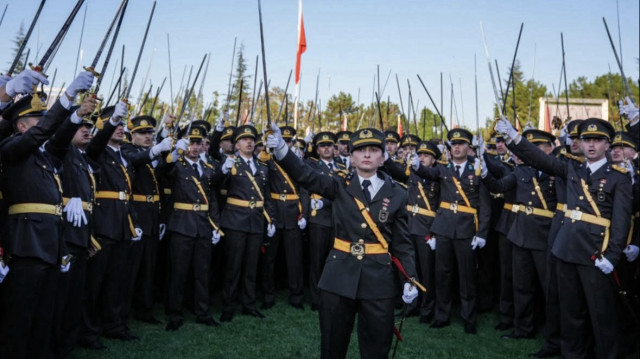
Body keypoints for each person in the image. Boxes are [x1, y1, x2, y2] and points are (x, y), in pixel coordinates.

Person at [267, 125, 419, 359]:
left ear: (382, 158)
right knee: (332, 347)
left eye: (373, 150)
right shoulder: (338, 184)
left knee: (377, 349)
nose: (366, 154)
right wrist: (281, 150)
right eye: (360, 150)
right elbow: (305, 175)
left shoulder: (397, 193)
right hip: (338, 276)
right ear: (351, 157)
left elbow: (403, 243)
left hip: (379, 280)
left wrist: (410, 278)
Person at [496, 116, 633, 358]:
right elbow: (540, 159)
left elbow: (620, 222)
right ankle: (572, 354)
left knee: (601, 313)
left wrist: (612, 255)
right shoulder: (572, 168)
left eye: (597, 141)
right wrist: (514, 138)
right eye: (586, 140)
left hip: (595, 253)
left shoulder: (619, 177)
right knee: (570, 312)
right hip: (566, 249)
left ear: (607, 145)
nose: (591, 145)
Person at [0, 70, 94, 358]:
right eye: (38, 122)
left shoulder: (44, 156)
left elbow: (60, 139)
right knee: (21, 319)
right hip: (27, 243)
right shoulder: (12, 148)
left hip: (50, 244)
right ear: (22, 126)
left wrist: (75, 114)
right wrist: (65, 98)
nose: (45, 126)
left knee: (44, 317)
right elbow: (45, 133)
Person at [411, 128, 491, 334]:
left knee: (467, 277)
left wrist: (481, 233)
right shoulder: (443, 169)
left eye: (461, 144)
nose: (456, 147)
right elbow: (427, 172)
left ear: (468, 147)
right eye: (453, 144)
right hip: (444, 228)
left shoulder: (477, 170)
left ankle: (469, 318)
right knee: (442, 275)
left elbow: (485, 206)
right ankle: (441, 315)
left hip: (466, 230)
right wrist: (416, 165)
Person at [480, 129, 558, 341]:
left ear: (549, 150)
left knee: (550, 288)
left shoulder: (556, 172)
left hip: (545, 235)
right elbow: (499, 186)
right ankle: (523, 328)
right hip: (520, 234)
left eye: (537, 148)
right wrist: (484, 173)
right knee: (521, 285)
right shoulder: (521, 171)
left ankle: (554, 335)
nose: (531, 153)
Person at [163, 125, 222, 331]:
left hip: (203, 225)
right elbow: (162, 170)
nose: (195, 147)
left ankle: (203, 312)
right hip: (182, 224)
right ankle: (175, 314)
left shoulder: (207, 169)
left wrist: (215, 225)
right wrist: (173, 151)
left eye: (198, 143)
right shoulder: (176, 165)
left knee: (202, 272)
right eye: (191, 143)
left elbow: (212, 199)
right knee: (179, 272)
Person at [218, 125, 275, 322]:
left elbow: (266, 196)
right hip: (235, 220)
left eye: (252, 139)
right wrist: (223, 169)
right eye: (244, 139)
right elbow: (215, 185)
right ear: (236, 144)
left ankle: (248, 304)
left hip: (256, 221)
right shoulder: (230, 163)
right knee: (233, 267)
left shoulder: (262, 166)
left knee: (252, 266)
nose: (249, 142)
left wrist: (271, 218)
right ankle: (228, 306)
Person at [121, 116, 172, 325]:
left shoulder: (153, 155)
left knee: (148, 269)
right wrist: (157, 149)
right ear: (132, 135)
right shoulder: (127, 150)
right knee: (130, 270)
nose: (148, 136)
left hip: (152, 216)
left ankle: (145, 309)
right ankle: (123, 312)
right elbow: (137, 160)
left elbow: (162, 176)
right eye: (142, 133)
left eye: (150, 133)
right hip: (136, 216)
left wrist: (172, 155)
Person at [384, 140, 441, 323]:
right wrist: (386, 159)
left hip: (426, 228)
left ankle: (427, 309)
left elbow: (442, 206)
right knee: (409, 270)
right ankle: (411, 305)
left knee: (426, 272)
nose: (422, 158)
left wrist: (436, 232)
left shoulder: (438, 176)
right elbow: (397, 173)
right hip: (409, 226)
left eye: (426, 156)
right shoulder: (412, 173)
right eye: (420, 155)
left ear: (434, 160)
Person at [261, 125, 307, 310]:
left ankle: (296, 296)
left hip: (293, 213)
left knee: (294, 259)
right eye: (283, 140)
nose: (286, 143)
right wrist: (269, 215)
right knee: (269, 258)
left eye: (289, 141)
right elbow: (263, 188)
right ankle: (267, 295)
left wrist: (303, 212)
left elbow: (304, 187)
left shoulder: (295, 161)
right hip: (274, 211)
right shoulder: (268, 160)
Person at [304, 131, 348, 311]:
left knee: (335, 261)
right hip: (319, 218)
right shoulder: (312, 165)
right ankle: (316, 298)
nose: (327, 148)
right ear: (317, 149)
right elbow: (305, 189)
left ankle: (332, 295)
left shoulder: (342, 166)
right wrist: (305, 215)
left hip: (337, 218)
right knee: (316, 260)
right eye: (322, 146)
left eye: (329, 145)